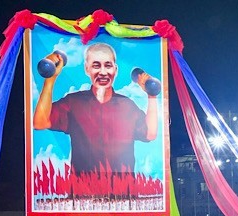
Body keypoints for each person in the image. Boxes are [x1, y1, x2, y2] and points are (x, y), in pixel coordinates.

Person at [33, 42, 158, 176]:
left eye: (108, 66)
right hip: (83, 192)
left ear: (115, 70)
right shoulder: (73, 102)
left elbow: (150, 134)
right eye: (96, 66)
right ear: (87, 69)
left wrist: (152, 96)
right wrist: (50, 79)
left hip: (122, 194)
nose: (103, 72)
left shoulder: (127, 105)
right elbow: (40, 122)